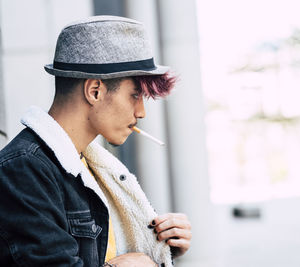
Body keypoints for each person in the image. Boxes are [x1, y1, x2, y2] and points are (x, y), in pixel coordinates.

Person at [0, 16, 191, 267]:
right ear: (95, 91)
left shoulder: (93, 168)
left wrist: (161, 244)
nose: (141, 112)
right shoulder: (24, 170)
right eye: (135, 95)